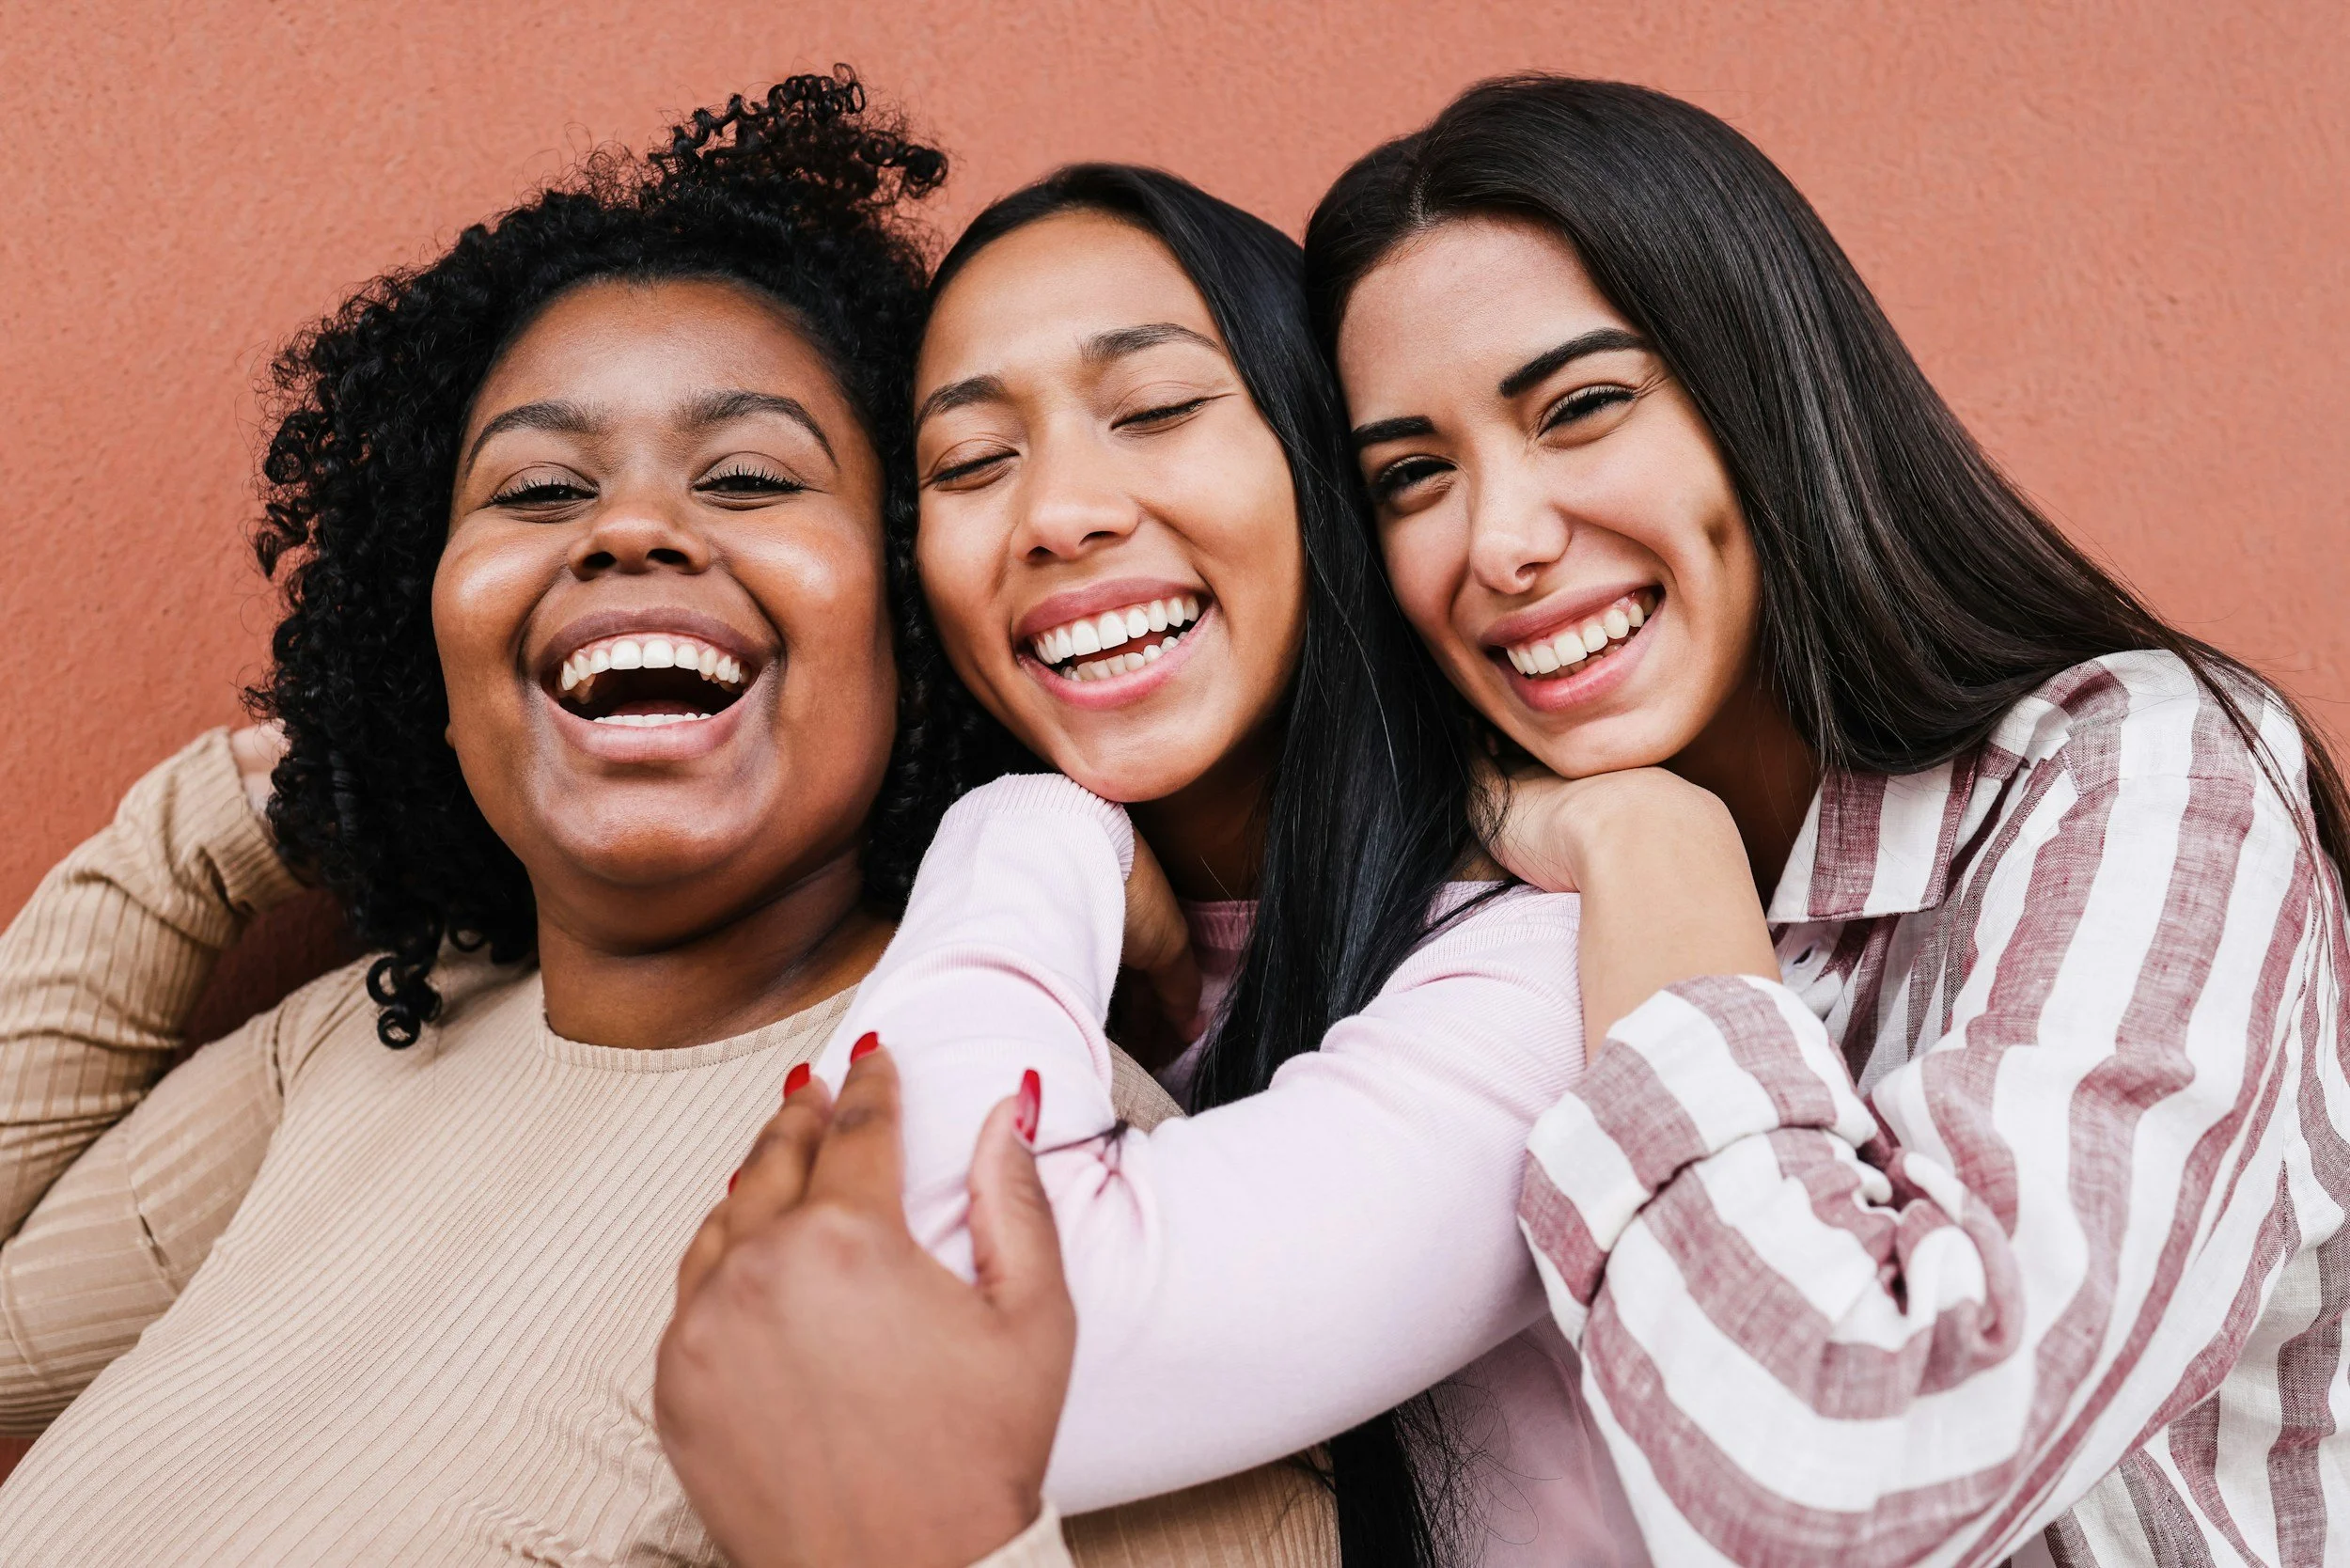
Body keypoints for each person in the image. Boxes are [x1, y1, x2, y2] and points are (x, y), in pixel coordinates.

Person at [667, 74, 2350, 1568]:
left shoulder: (2140, 777)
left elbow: (1844, 1477)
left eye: (1579, 408)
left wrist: (1650, 865)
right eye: (1413, 473)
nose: (1505, 540)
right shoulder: (1364, 916)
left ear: (1765, 394)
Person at [0, 75, 1277, 1567]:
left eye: (748, 476)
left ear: (908, 612)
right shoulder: (362, 1038)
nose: (630, 529)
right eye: (538, 490)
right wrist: (263, 798)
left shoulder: (1056, 1160)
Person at [662, 166, 1637, 1568]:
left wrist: (1029, 826)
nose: (1058, 513)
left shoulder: (1548, 964)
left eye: (1159, 410)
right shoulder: (1041, 966)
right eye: (972, 463)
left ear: (1321, 460)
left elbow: (913, 1330)